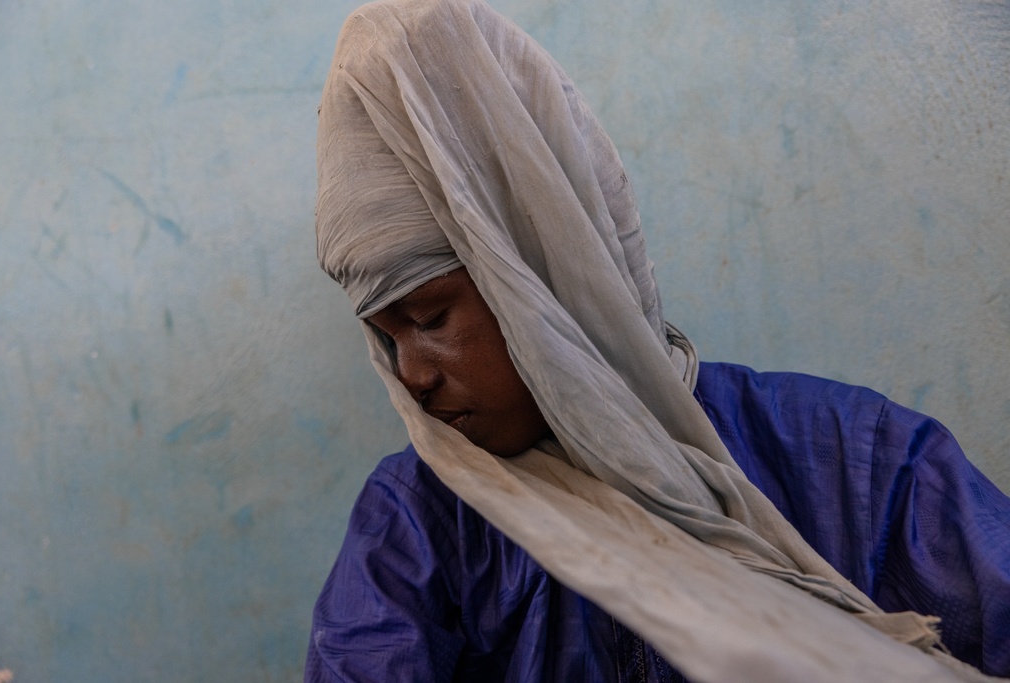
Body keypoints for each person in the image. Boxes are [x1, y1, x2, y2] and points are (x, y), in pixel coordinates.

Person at [305, 0, 1010, 680]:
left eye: (431, 319)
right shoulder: (416, 529)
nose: (411, 374)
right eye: (385, 337)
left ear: (543, 276)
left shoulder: (864, 466)